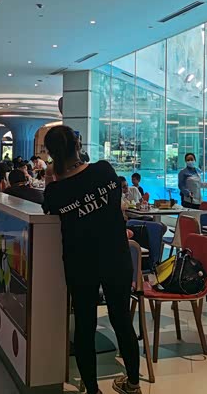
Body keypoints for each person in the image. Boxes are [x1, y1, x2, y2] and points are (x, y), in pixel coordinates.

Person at [42, 125, 141, 394]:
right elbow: (115, 206)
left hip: (80, 262)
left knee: (85, 326)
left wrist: (52, 175)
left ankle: (93, 389)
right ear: (78, 145)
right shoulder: (104, 170)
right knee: (121, 320)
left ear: (51, 154)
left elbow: (49, 209)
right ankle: (133, 383)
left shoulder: (55, 191)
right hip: (116, 256)